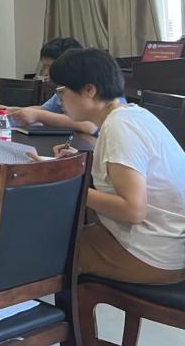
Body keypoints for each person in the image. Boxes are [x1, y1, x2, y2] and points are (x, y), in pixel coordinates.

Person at [47, 48, 185, 284]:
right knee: (62, 237)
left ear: (89, 90)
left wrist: (71, 185)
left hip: (153, 255)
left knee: (45, 246)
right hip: (169, 245)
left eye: (62, 91)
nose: (60, 100)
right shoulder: (134, 115)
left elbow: (133, 210)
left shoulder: (119, 127)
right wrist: (81, 160)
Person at [0, 38, 100, 134]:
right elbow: (46, 109)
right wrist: (13, 110)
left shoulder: (85, 86)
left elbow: (89, 125)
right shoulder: (65, 87)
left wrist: (38, 116)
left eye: (50, 67)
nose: (48, 74)